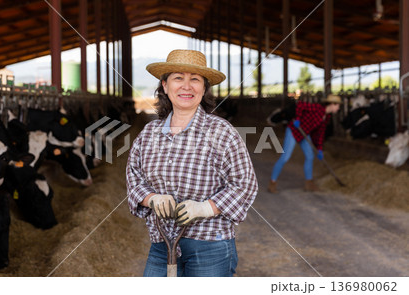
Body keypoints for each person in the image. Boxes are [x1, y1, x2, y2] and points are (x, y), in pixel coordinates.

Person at [126, 49, 258, 277]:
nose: (186, 86)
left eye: (195, 79)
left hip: (210, 245)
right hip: (162, 245)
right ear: (165, 86)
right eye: (178, 78)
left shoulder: (222, 132)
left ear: (204, 88)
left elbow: (244, 184)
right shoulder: (149, 134)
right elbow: (134, 178)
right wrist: (152, 198)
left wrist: (205, 207)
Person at [267, 95, 342, 193]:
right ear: (332, 104)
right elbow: (300, 105)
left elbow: (320, 133)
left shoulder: (326, 117)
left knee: (310, 156)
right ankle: (272, 183)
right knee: (285, 157)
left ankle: (309, 184)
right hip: (294, 130)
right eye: (338, 105)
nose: (338, 108)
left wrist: (319, 148)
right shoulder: (318, 108)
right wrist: (297, 118)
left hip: (304, 133)